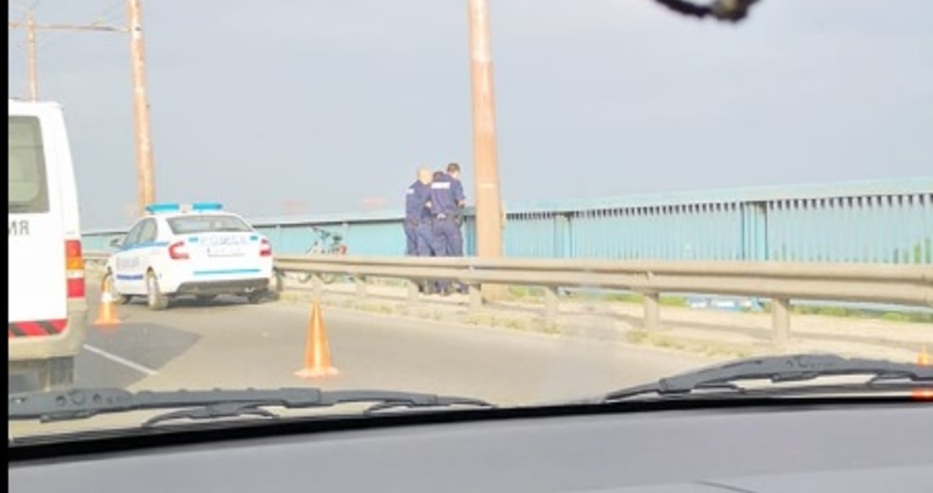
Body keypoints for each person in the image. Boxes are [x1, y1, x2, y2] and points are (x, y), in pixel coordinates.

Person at [429, 162, 467, 295]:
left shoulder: (434, 183)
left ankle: (443, 287)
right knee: (457, 253)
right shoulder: (455, 182)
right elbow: (461, 202)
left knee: (440, 256)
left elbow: (427, 202)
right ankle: (464, 286)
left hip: (436, 222)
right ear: (456, 172)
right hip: (450, 221)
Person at [404, 167, 433, 257]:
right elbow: (428, 204)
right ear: (425, 176)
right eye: (430, 175)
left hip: (409, 224)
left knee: (412, 252)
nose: (432, 177)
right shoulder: (424, 188)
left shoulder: (411, 188)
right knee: (425, 253)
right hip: (421, 223)